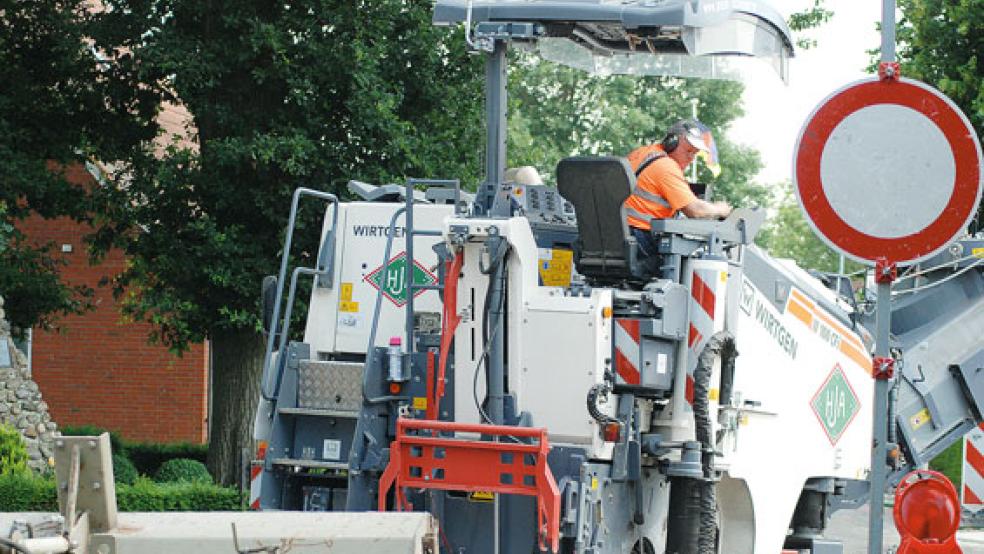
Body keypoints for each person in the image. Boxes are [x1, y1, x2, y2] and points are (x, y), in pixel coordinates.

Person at [624, 120, 732, 258]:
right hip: (641, 242)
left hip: (616, 237)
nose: (691, 158)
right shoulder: (666, 167)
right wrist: (720, 209)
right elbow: (695, 210)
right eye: (688, 151)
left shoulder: (640, 153)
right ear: (671, 143)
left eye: (694, 153)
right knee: (693, 258)